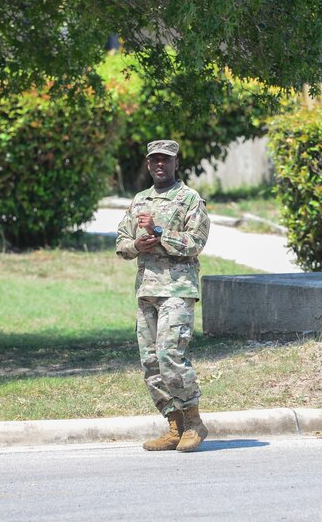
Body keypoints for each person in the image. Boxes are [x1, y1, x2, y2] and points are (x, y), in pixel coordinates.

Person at [116, 140, 211, 452]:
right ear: (147, 164)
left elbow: (195, 242)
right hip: (147, 291)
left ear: (176, 164)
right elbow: (121, 242)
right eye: (154, 160)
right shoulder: (140, 201)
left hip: (178, 289)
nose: (160, 165)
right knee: (151, 362)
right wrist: (136, 246)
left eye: (166, 160)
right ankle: (174, 425)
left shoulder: (189, 200)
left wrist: (158, 233)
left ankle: (194, 422)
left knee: (171, 354)